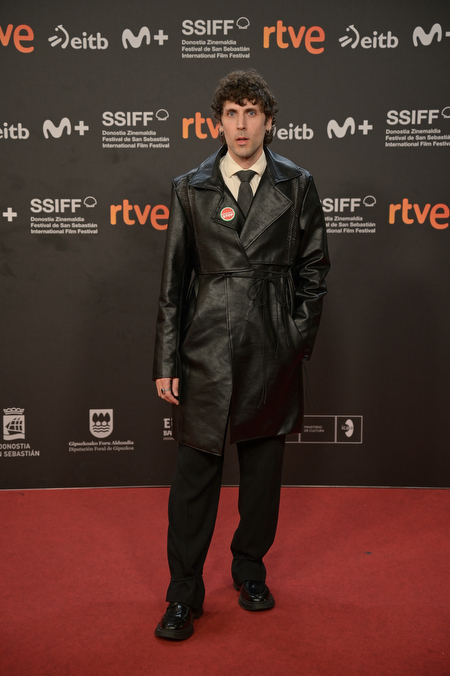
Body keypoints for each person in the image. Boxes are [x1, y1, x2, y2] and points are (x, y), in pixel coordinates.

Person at [153, 69, 330, 640]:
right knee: (194, 478)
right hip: (204, 347)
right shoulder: (189, 187)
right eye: (231, 113)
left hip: (270, 348)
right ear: (218, 123)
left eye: (251, 112)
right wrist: (166, 361)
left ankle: (250, 568)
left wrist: (295, 340)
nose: (241, 124)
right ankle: (183, 593)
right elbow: (173, 282)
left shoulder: (297, 184)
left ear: (269, 121)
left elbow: (314, 271)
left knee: (261, 474)